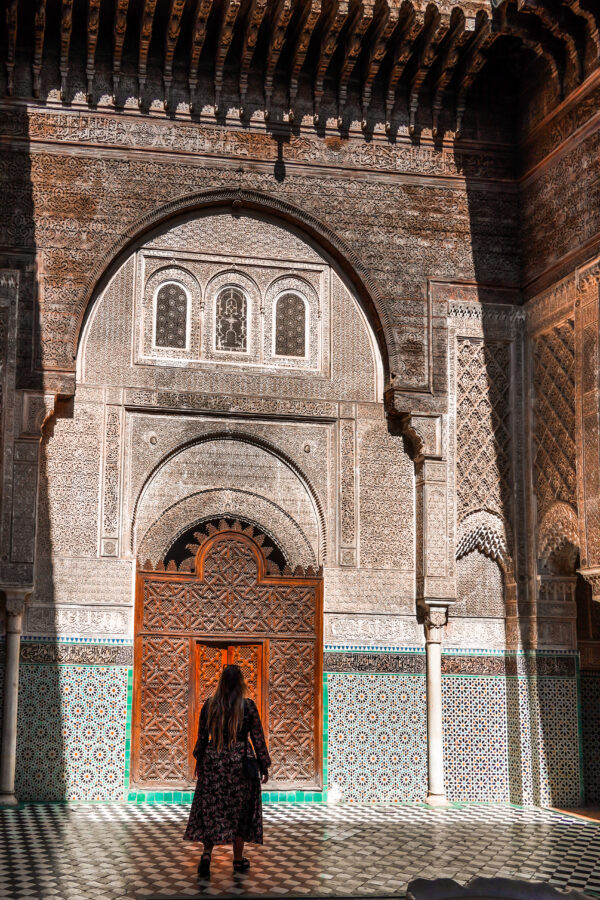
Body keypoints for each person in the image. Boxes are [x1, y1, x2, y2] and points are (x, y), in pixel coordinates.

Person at [184, 664, 271, 876]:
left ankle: (207, 854)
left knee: (212, 809)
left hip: (214, 762)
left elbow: (203, 738)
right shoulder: (247, 706)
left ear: (221, 682)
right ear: (240, 683)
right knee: (239, 812)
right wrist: (264, 764)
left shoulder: (210, 705)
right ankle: (238, 860)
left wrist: (199, 762)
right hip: (239, 765)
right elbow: (257, 737)